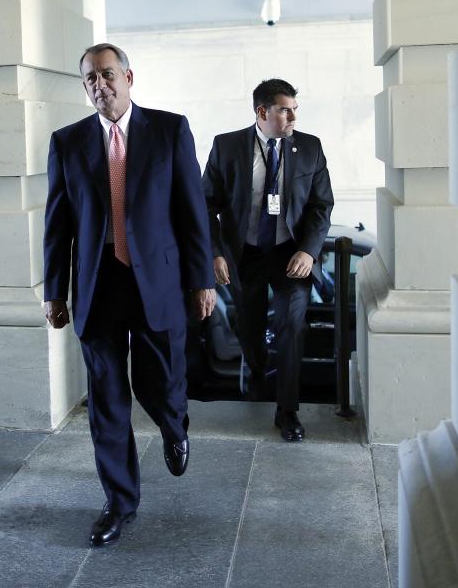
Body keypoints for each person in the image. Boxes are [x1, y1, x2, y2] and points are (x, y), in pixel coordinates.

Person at [43, 43, 216, 546]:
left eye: (108, 74)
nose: (101, 85)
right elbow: (57, 225)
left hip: (157, 282)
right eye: (91, 79)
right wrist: (55, 290)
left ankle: (174, 426)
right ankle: (119, 503)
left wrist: (201, 278)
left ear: (129, 77)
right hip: (99, 284)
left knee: (160, 381)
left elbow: (192, 212)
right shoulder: (67, 142)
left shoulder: (168, 130)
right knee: (107, 399)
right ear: (85, 87)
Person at [202, 79, 334, 442]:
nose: (292, 116)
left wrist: (308, 250)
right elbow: (206, 205)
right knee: (250, 329)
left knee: (292, 326)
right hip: (245, 254)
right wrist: (215, 253)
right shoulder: (226, 146)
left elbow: (322, 205)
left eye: (294, 108)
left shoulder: (309, 147)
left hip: (291, 253)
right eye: (283, 109)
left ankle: (287, 411)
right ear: (262, 112)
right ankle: (257, 377)